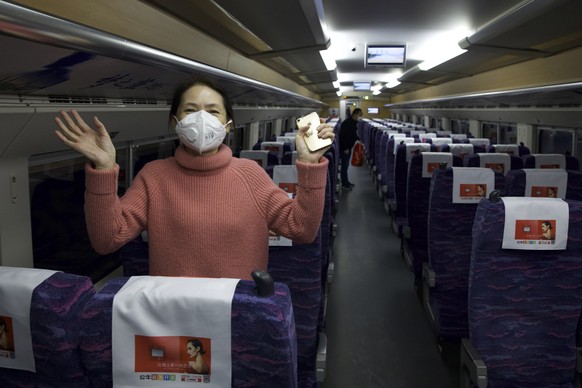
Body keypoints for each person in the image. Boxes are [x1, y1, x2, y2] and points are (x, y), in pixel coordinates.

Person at [54, 77, 334, 280]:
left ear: (228, 125)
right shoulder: (155, 176)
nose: (201, 118)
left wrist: (310, 165)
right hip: (171, 315)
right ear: (175, 122)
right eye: (190, 110)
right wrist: (104, 168)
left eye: (212, 111)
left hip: (237, 313)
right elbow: (106, 240)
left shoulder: (250, 174)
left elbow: (302, 229)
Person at [339, 108, 362, 190]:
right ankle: (344, 184)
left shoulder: (352, 123)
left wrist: (358, 139)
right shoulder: (347, 123)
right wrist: (345, 148)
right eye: (359, 115)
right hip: (345, 148)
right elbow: (343, 136)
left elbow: (353, 135)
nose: (359, 117)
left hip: (348, 147)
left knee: (346, 166)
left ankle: (346, 182)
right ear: (355, 114)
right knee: (344, 167)